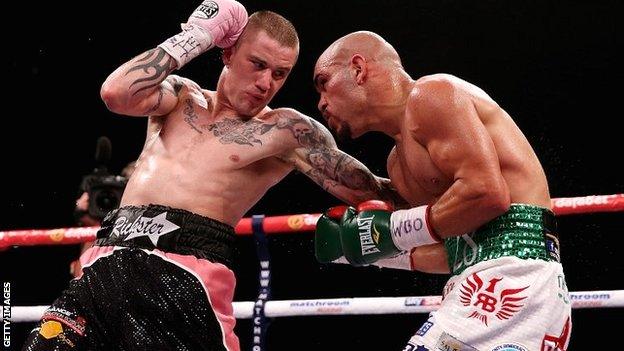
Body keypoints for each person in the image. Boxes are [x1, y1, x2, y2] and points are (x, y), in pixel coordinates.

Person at [22, 3, 404, 350]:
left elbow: (374, 192)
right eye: (258, 64)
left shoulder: (287, 130)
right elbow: (116, 93)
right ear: (228, 51)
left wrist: (445, 188)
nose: (266, 83)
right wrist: (196, 36)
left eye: (280, 74)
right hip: (104, 262)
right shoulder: (179, 98)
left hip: (183, 279)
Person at [313, 31, 571, 351]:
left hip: (516, 279)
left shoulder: (431, 94)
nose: (320, 102)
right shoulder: (398, 164)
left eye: (323, 82)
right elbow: (452, 251)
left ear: (357, 68)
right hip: (484, 283)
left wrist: (390, 232)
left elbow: (487, 193)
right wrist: (366, 250)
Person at [69, 161, 137, 278]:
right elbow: (83, 277)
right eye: (131, 186)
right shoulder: (105, 227)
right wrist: (89, 221)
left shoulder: (160, 224)